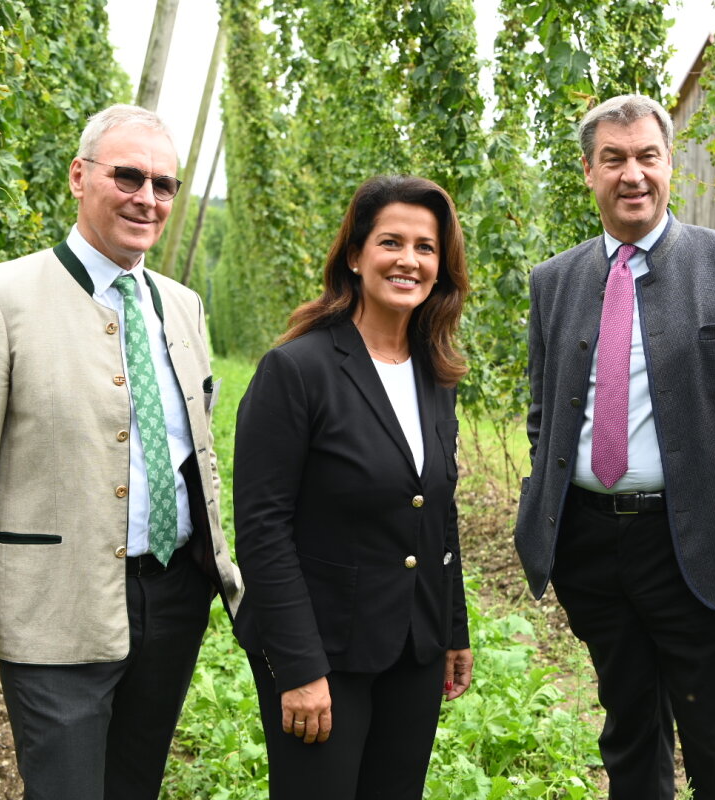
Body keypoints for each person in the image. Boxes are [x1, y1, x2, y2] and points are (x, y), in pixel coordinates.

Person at [0, 104, 243, 800]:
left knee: (135, 786)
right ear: (78, 176)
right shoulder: (2, 298)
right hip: (53, 608)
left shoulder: (181, 306)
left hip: (173, 596)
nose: (146, 198)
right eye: (127, 176)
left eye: (163, 184)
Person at [514, 93, 715, 799]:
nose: (633, 174)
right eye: (613, 159)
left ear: (669, 164)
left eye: (648, 156)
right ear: (588, 171)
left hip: (702, 550)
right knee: (629, 734)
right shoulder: (554, 281)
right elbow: (543, 414)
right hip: (591, 550)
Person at [232, 175, 473, 799]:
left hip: (412, 649)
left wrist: (452, 632)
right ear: (354, 255)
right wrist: (300, 668)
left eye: (426, 247)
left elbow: (437, 512)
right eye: (391, 242)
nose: (409, 260)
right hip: (325, 654)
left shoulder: (434, 373)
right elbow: (262, 530)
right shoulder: (298, 370)